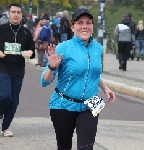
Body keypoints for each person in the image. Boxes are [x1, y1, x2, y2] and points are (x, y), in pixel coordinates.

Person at [41, 8, 115, 150]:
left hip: (89, 106)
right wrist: (51, 68)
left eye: (88, 22)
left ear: (93, 25)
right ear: (73, 26)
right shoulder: (64, 47)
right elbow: (44, 81)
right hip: (63, 105)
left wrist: (105, 88)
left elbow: (93, 73)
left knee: (86, 148)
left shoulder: (98, 48)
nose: (85, 26)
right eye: (80, 23)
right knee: (64, 147)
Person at [0, 3, 35, 137]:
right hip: (3, 67)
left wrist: (29, 52)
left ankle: (6, 127)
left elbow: (32, 51)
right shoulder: (1, 29)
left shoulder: (26, 32)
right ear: (9, 13)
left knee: (14, 102)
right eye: (13, 12)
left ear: (21, 15)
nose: (16, 15)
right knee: (5, 95)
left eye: (18, 12)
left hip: (18, 70)